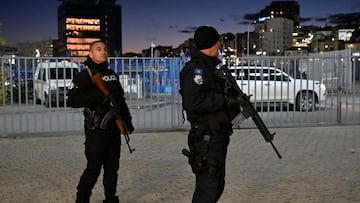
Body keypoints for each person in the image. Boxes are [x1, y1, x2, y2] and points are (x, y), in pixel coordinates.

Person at [180, 26, 241, 202]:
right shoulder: (196, 70)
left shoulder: (212, 67)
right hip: (206, 137)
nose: (220, 44)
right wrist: (224, 101)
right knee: (207, 189)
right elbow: (195, 102)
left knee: (216, 185)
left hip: (217, 134)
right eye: (218, 41)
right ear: (210, 44)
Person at [68, 40, 134, 203]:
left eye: (105, 49)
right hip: (96, 130)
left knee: (112, 169)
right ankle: (82, 199)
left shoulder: (112, 74)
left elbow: (120, 100)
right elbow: (73, 100)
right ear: (90, 54)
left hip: (113, 128)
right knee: (93, 168)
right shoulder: (84, 76)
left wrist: (127, 122)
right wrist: (100, 98)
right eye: (98, 49)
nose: (103, 52)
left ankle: (111, 198)